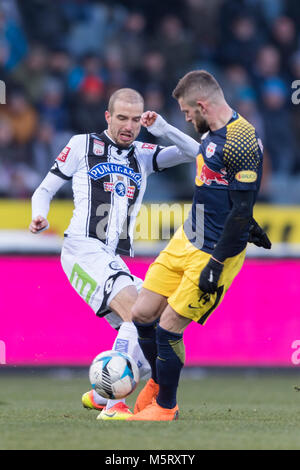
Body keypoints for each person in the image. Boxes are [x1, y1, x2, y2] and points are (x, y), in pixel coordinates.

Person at [29, 88, 199, 420]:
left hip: (113, 257)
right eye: (122, 118)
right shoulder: (81, 145)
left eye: (136, 120)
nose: (129, 126)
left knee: (162, 326)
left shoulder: (144, 153)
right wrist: (39, 214)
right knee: (137, 313)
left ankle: (100, 392)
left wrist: (162, 128)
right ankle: (112, 407)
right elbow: (45, 189)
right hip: (82, 249)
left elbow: (195, 152)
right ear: (108, 116)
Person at [127, 70, 271, 421]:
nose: (187, 117)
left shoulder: (243, 140)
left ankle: (166, 408)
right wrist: (162, 128)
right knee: (142, 313)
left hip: (214, 251)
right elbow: (214, 177)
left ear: (203, 105)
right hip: (186, 237)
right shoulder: (211, 136)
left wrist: (217, 264)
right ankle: (159, 383)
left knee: (169, 328)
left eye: (188, 112)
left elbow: (241, 207)